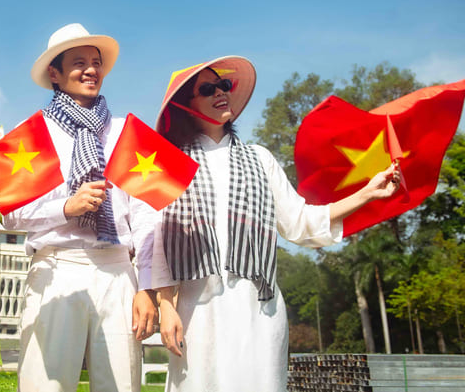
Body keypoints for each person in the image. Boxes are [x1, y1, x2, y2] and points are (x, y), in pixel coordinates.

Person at [149, 56, 403, 392]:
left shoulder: (260, 158)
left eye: (224, 85)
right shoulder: (170, 164)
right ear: (187, 106)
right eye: (207, 89)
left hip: (259, 304)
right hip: (198, 308)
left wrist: (367, 193)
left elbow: (300, 223)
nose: (221, 92)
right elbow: (158, 242)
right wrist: (166, 307)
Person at [4, 23, 160, 392]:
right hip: (56, 269)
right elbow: (8, 212)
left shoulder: (126, 131)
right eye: (78, 62)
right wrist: (65, 208)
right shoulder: (32, 132)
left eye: (96, 62)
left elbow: (147, 214)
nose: (91, 70)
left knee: (121, 385)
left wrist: (148, 286)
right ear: (54, 74)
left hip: (119, 272)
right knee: (45, 384)